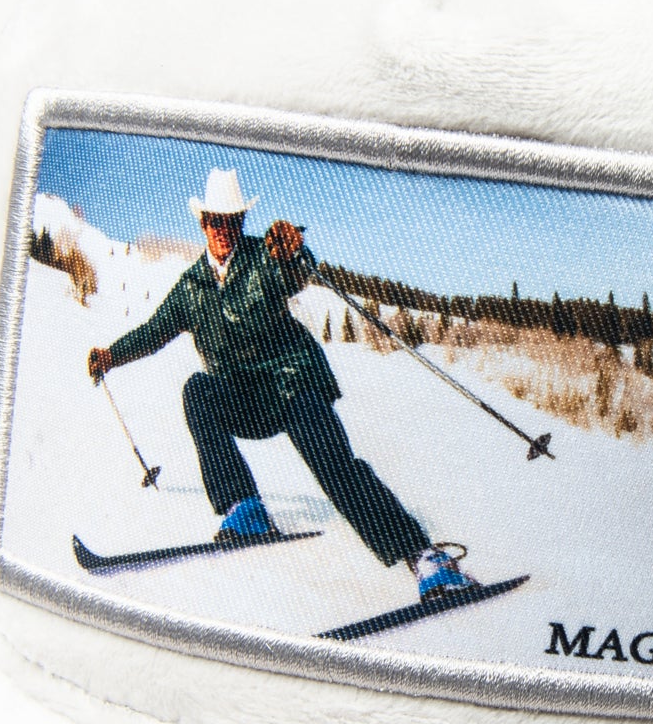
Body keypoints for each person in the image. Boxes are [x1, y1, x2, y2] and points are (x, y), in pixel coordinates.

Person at [87, 168, 474, 602]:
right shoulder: (191, 287)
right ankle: (245, 509)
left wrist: (293, 253)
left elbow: (294, 272)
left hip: (293, 384)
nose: (222, 229)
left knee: (336, 467)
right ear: (202, 223)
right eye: (215, 220)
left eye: (232, 220)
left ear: (241, 222)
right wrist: (111, 356)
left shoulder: (262, 256)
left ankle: (426, 559)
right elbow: (153, 331)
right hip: (246, 399)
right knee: (198, 389)